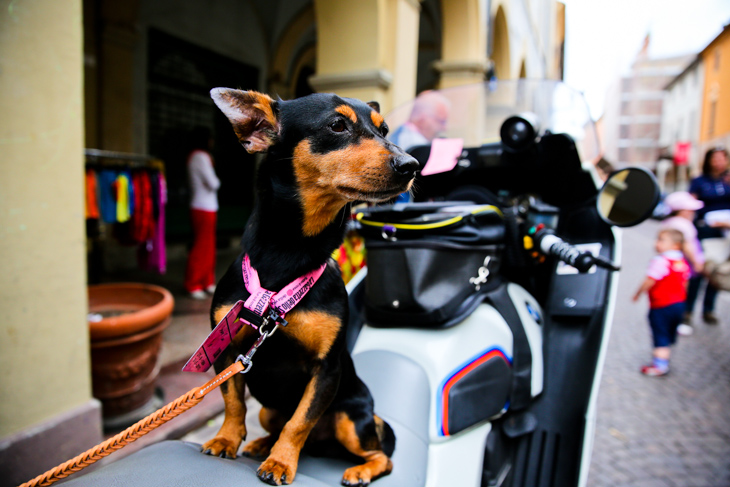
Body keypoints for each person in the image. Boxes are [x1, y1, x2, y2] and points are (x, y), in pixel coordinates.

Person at [632, 229, 690, 376]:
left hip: (661, 305)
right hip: (679, 304)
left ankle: (660, 366)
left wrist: (638, 293)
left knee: (660, 335)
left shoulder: (661, 261)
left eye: (661, 240)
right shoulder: (681, 261)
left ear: (676, 245)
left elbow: (650, 280)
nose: (656, 243)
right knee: (668, 334)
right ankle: (665, 357)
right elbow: (685, 282)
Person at [687, 146, 730, 324]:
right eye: (716, 158)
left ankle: (708, 309)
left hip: (725, 232)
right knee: (699, 269)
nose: (719, 162)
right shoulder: (699, 181)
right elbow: (690, 203)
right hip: (705, 230)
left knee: (716, 271)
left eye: (722, 158)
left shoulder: (727, 180)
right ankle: (688, 311)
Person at [388, 90, 451, 202]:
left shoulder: (398, 134)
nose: (444, 128)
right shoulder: (416, 144)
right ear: (423, 118)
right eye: (441, 121)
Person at [660, 191, 704, 335]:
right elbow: (687, 246)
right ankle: (681, 320)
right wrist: (696, 262)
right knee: (685, 293)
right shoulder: (682, 224)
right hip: (685, 267)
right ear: (681, 210)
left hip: (674, 267)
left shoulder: (669, 222)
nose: (693, 212)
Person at [184, 126, 220, 299]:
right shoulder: (201, 157)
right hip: (203, 207)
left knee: (208, 247)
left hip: (204, 206)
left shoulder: (195, 156)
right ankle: (193, 283)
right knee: (201, 247)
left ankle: (206, 281)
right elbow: (213, 183)